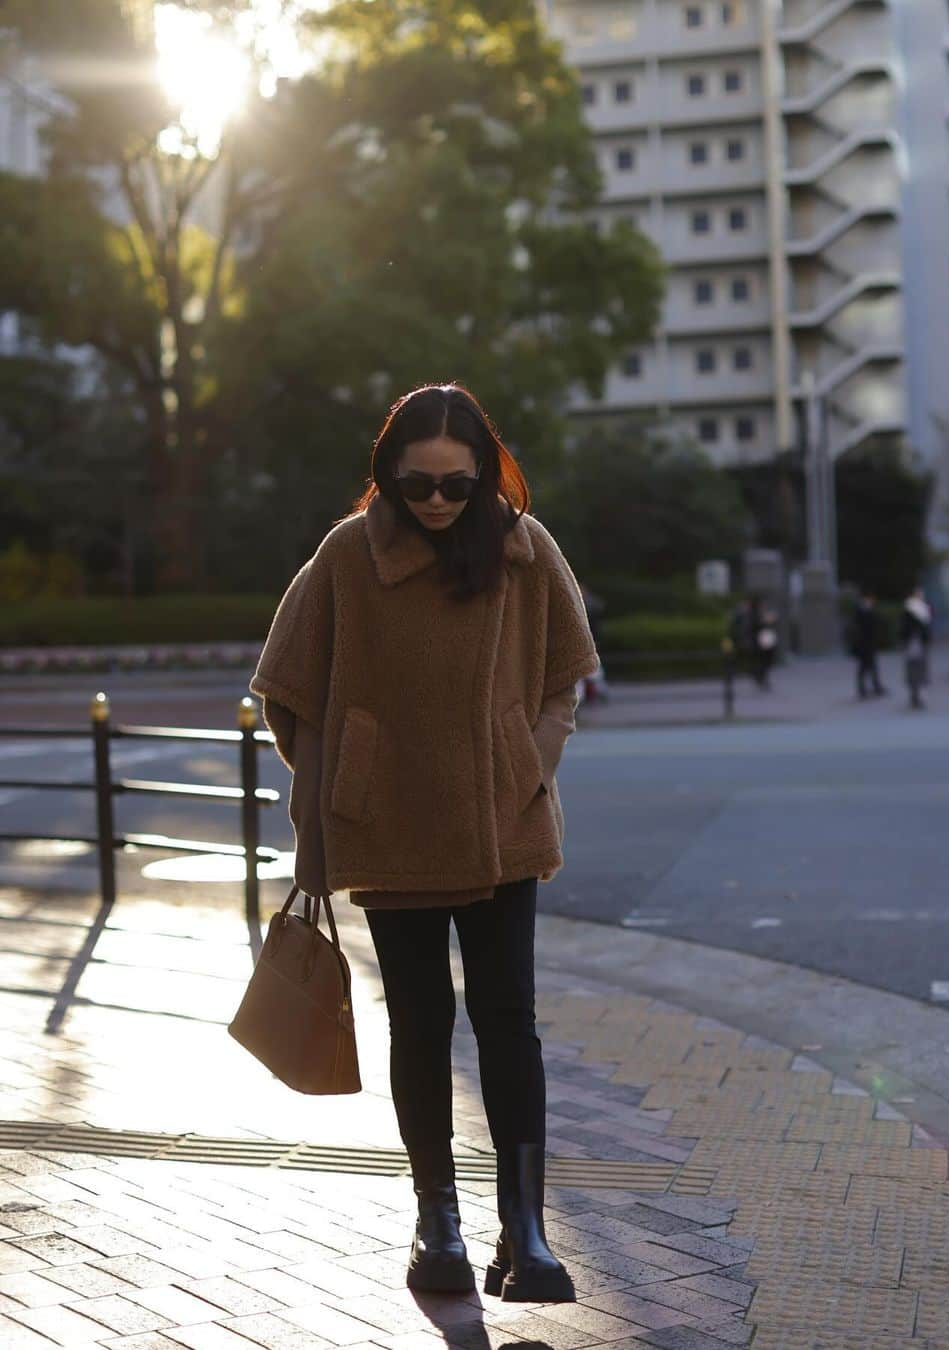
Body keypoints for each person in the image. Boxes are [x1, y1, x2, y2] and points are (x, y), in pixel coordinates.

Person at [249, 383, 600, 1304]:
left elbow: (568, 676)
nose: (438, 502)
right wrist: (344, 781)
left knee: (508, 1019)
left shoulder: (525, 550)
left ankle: (524, 1228)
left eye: (458, 484)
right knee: (420, 1023)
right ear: (387, 476)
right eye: (418, 485)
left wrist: (527, 758)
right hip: (389, 826)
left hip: (502, 821)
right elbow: (284, 688)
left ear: (486, 474)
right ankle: (435, 1218)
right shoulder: (346, 556)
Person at [900, 585, 933, 710]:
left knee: (920, 670)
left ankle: (918, 695)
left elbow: (927, 626)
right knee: (913, 670)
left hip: (920, 643)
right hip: (912, 643)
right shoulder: (909, 609)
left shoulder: (924, 608)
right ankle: (914, 695)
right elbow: (905, 627)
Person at [849, 590, 886, 699]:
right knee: (864, 667)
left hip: (869, 644)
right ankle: (863, 689)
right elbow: (861, 628)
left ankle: (875, 686)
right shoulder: (861, 611)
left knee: (872, 666)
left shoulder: (868, 610)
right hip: (863, 644)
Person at [749, 595, 778, 690]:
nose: (763, 606)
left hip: (764, 639)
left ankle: (761, 678)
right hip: (759, 640)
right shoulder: (753, 614)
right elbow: (756, 626)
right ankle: (760, 678)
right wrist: (766, 621)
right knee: (762, 660)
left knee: (764, 660)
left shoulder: (759, 613)